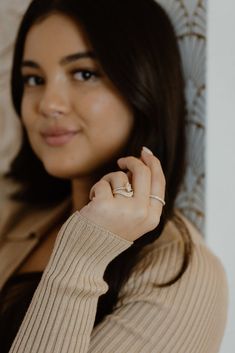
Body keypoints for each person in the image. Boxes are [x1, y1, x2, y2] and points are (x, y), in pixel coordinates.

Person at [0, 0, 228, 352]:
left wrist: (81, 258)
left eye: (84, 74)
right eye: (34, 79)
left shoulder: (183, 275)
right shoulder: (14, 209)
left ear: (142, 84)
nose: (47, 103)